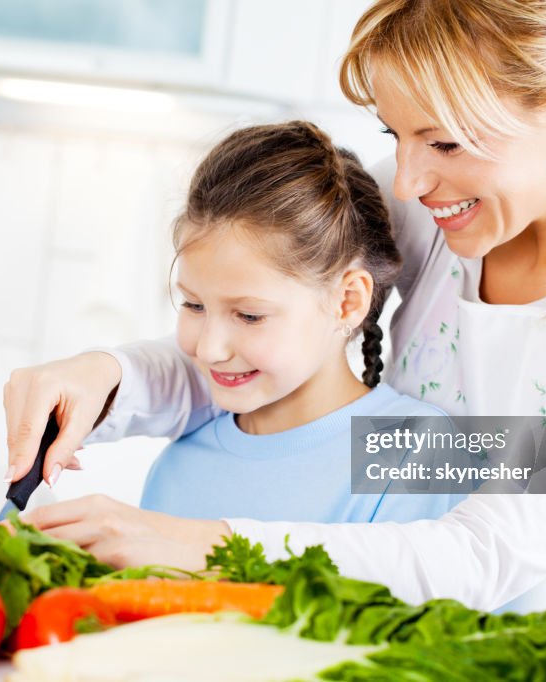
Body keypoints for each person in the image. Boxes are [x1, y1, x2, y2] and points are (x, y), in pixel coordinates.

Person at [4, 1, 546, 679]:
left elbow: (478, 554)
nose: (404, 181)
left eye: (442, 142)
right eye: (396, 135)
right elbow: (281, 321)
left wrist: (200, 546)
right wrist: (105, 376)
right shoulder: (446, 214)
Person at [132, 121, 462, 526]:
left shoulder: (416, 451)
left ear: (346, 301)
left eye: (250, 315)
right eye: (194, 305)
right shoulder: (178, 464)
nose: (209, 349)